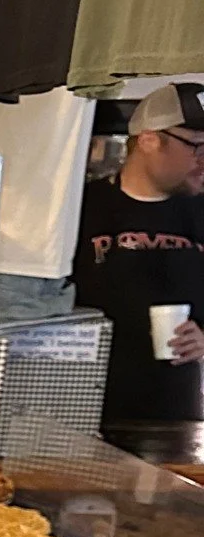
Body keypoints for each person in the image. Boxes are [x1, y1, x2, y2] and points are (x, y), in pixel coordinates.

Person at [73, 82, 204, 425]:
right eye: (197, 146)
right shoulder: (80, 208)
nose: (203, 161)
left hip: (178, 416)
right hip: (88, 408)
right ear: (148, 140)